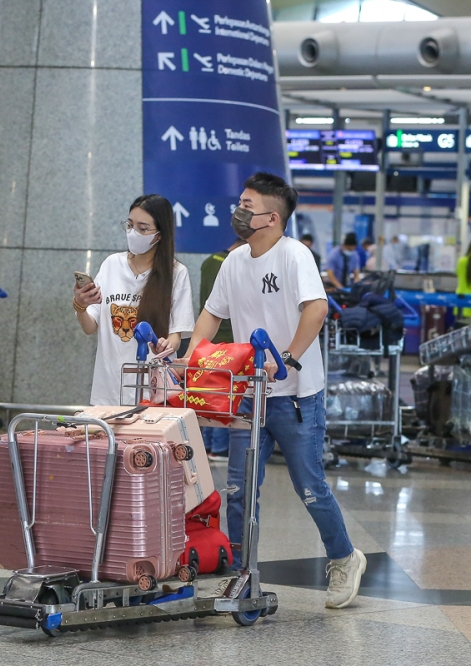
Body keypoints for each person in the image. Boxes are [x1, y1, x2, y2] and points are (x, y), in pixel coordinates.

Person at [185, 171, 365, 609]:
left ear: (271, 217)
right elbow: (211, 314)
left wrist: (289, 357)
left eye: (247, 204)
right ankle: (242, 572)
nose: (239, 210)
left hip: (298, 396)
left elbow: (317, 309)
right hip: (251, 395)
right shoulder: (234, 262)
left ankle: (344, 558)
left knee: (309, 486)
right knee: (240, 490)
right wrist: (191, 360)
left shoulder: (293, 256)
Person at [73, 194, 195, 406]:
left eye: (143, 228)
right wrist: (81, 306)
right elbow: (90, 327)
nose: (133, 233)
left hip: (153, 392)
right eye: (130, 225)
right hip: (108, 388)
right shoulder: (112, 264)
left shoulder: (176, 273)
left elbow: (176, 337)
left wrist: (165, 345)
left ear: (160, 234)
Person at [198, 239, 246, 460]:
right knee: (224, 395)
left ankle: (206, 445)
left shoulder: (209, 262)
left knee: (206, 392)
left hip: (207, 337)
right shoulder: (235, 264)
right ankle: (219, 448)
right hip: (229, 337)